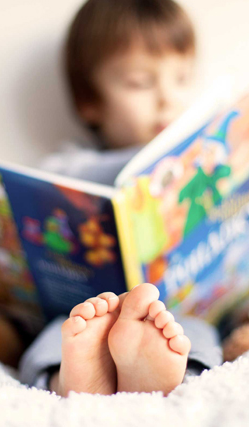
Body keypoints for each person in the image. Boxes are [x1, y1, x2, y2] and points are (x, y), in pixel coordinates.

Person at [18, 0, 223, 397]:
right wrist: (149, 161)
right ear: (89, 102)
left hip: (178, 307)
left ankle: (166, 373)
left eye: (182, 78)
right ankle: (74, 378)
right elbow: (56, 176)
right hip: (85, 308)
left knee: (195, 332)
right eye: (140, 82)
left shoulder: (209, 159)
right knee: (56, 335)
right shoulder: (72, 163)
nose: (168, 99)